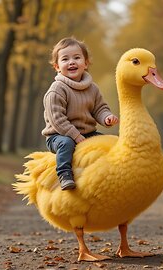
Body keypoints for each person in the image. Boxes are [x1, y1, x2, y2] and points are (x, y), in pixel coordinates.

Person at [42, 37, 119, 190]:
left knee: (109, 143)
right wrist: (76, 136)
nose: (71, 62)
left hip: (87, 133)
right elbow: (58, 120)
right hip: (59, 135)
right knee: (67, 143)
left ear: (86, 63)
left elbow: (99, 108)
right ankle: (64, 174)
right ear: (57, 67)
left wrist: (107, 117)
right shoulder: (57, 89)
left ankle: (109, 175)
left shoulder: (92, 88)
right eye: (65, 59)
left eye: (76, 58)